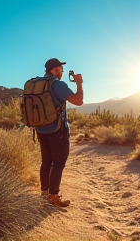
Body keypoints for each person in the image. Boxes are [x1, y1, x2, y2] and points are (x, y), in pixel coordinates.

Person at [36, 58, 83, 207]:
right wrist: (79, 83)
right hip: (57, 130)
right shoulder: (57, 84)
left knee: (46, 161)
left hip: (41, 129)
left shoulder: (38, 84)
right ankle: (53, 197)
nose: (62, 71)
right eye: (60, 68)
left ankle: (45, 192)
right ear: (54, 70)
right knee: (58, 163)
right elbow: (78, 101)